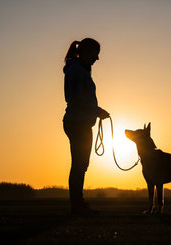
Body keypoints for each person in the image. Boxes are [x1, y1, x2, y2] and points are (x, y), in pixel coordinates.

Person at [63, 38, 109, 216]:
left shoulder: (79, 70)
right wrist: (97, 111)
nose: (97, 59)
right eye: (95, 54)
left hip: (78, 122)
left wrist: (95, 112)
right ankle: (77, 206)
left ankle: (78, 204)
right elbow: (75, 99)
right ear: (87, 52)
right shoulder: (76, 70)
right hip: (77, 122)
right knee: (79, 165)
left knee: (80, 165)